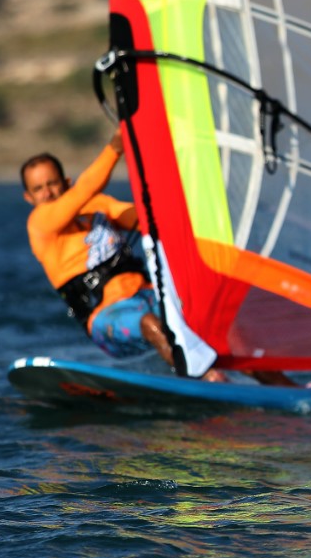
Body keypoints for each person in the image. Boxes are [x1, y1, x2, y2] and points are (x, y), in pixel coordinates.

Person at [21, 129, 294, 386]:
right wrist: (115, 148)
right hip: (107, 317)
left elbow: (145, 220)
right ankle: (204, 380)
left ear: (65, 182)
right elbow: (85, 189)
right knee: (151, 324)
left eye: (52, 183)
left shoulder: (96, 206)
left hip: (149, 296)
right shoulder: (40, 225)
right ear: (29, 197)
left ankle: (290, 389)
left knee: (221, 331)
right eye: (38, 188)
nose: (48, 192)